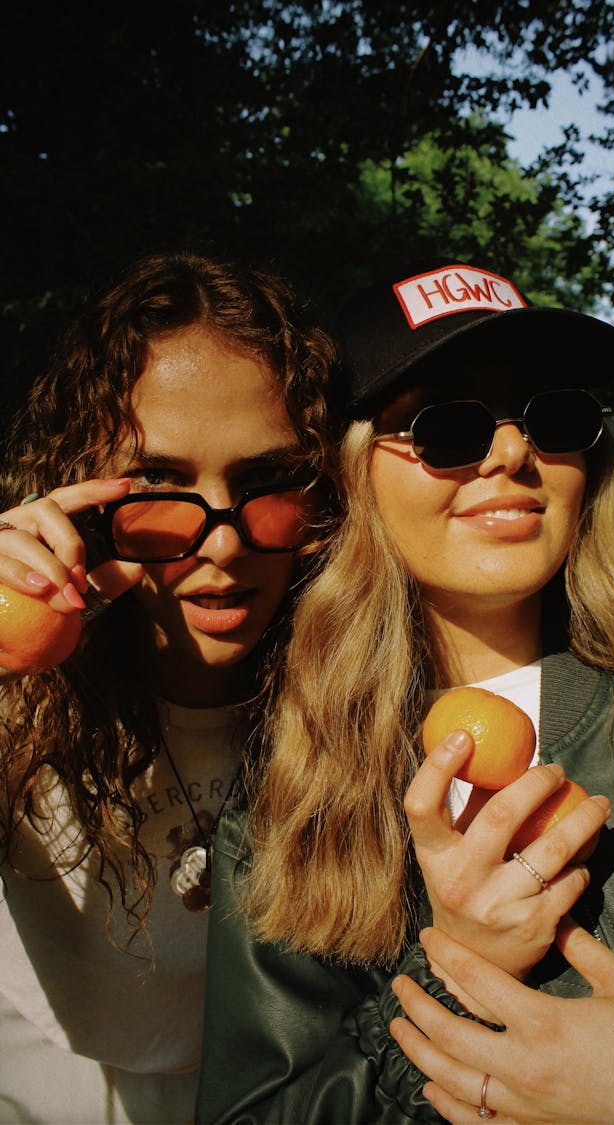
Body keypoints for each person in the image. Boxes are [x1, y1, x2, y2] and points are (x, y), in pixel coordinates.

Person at [196, 258, 614, 1124]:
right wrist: (454, 973)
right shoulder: (285, 802)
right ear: (349, 476)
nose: (512, 450)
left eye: (552, 416)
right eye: (445, 427)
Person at [0, 250, 338, 1124]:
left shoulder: (364, 700)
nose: (221, 544)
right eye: (159, 482)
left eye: (266, 482)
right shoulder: (17, 693)